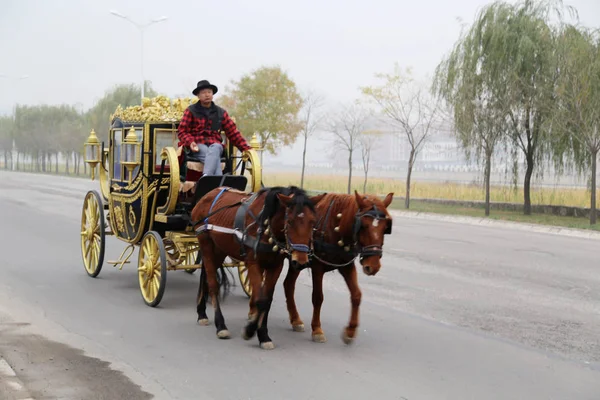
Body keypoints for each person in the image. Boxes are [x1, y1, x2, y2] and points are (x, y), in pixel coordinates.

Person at [177, 80, 251, 176]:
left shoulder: (221, 113)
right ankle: (217, 182)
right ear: (198, 96)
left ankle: (206, 177)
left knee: (216, 147)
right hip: (197, 145)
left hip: (215, 144)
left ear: (212, 94)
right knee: (208, 153)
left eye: (209, 92)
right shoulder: (191, 111)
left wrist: (247, 149)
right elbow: (182, 131)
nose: (207, 95)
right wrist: (190, 142)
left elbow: (233, 133)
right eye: (203, 93)